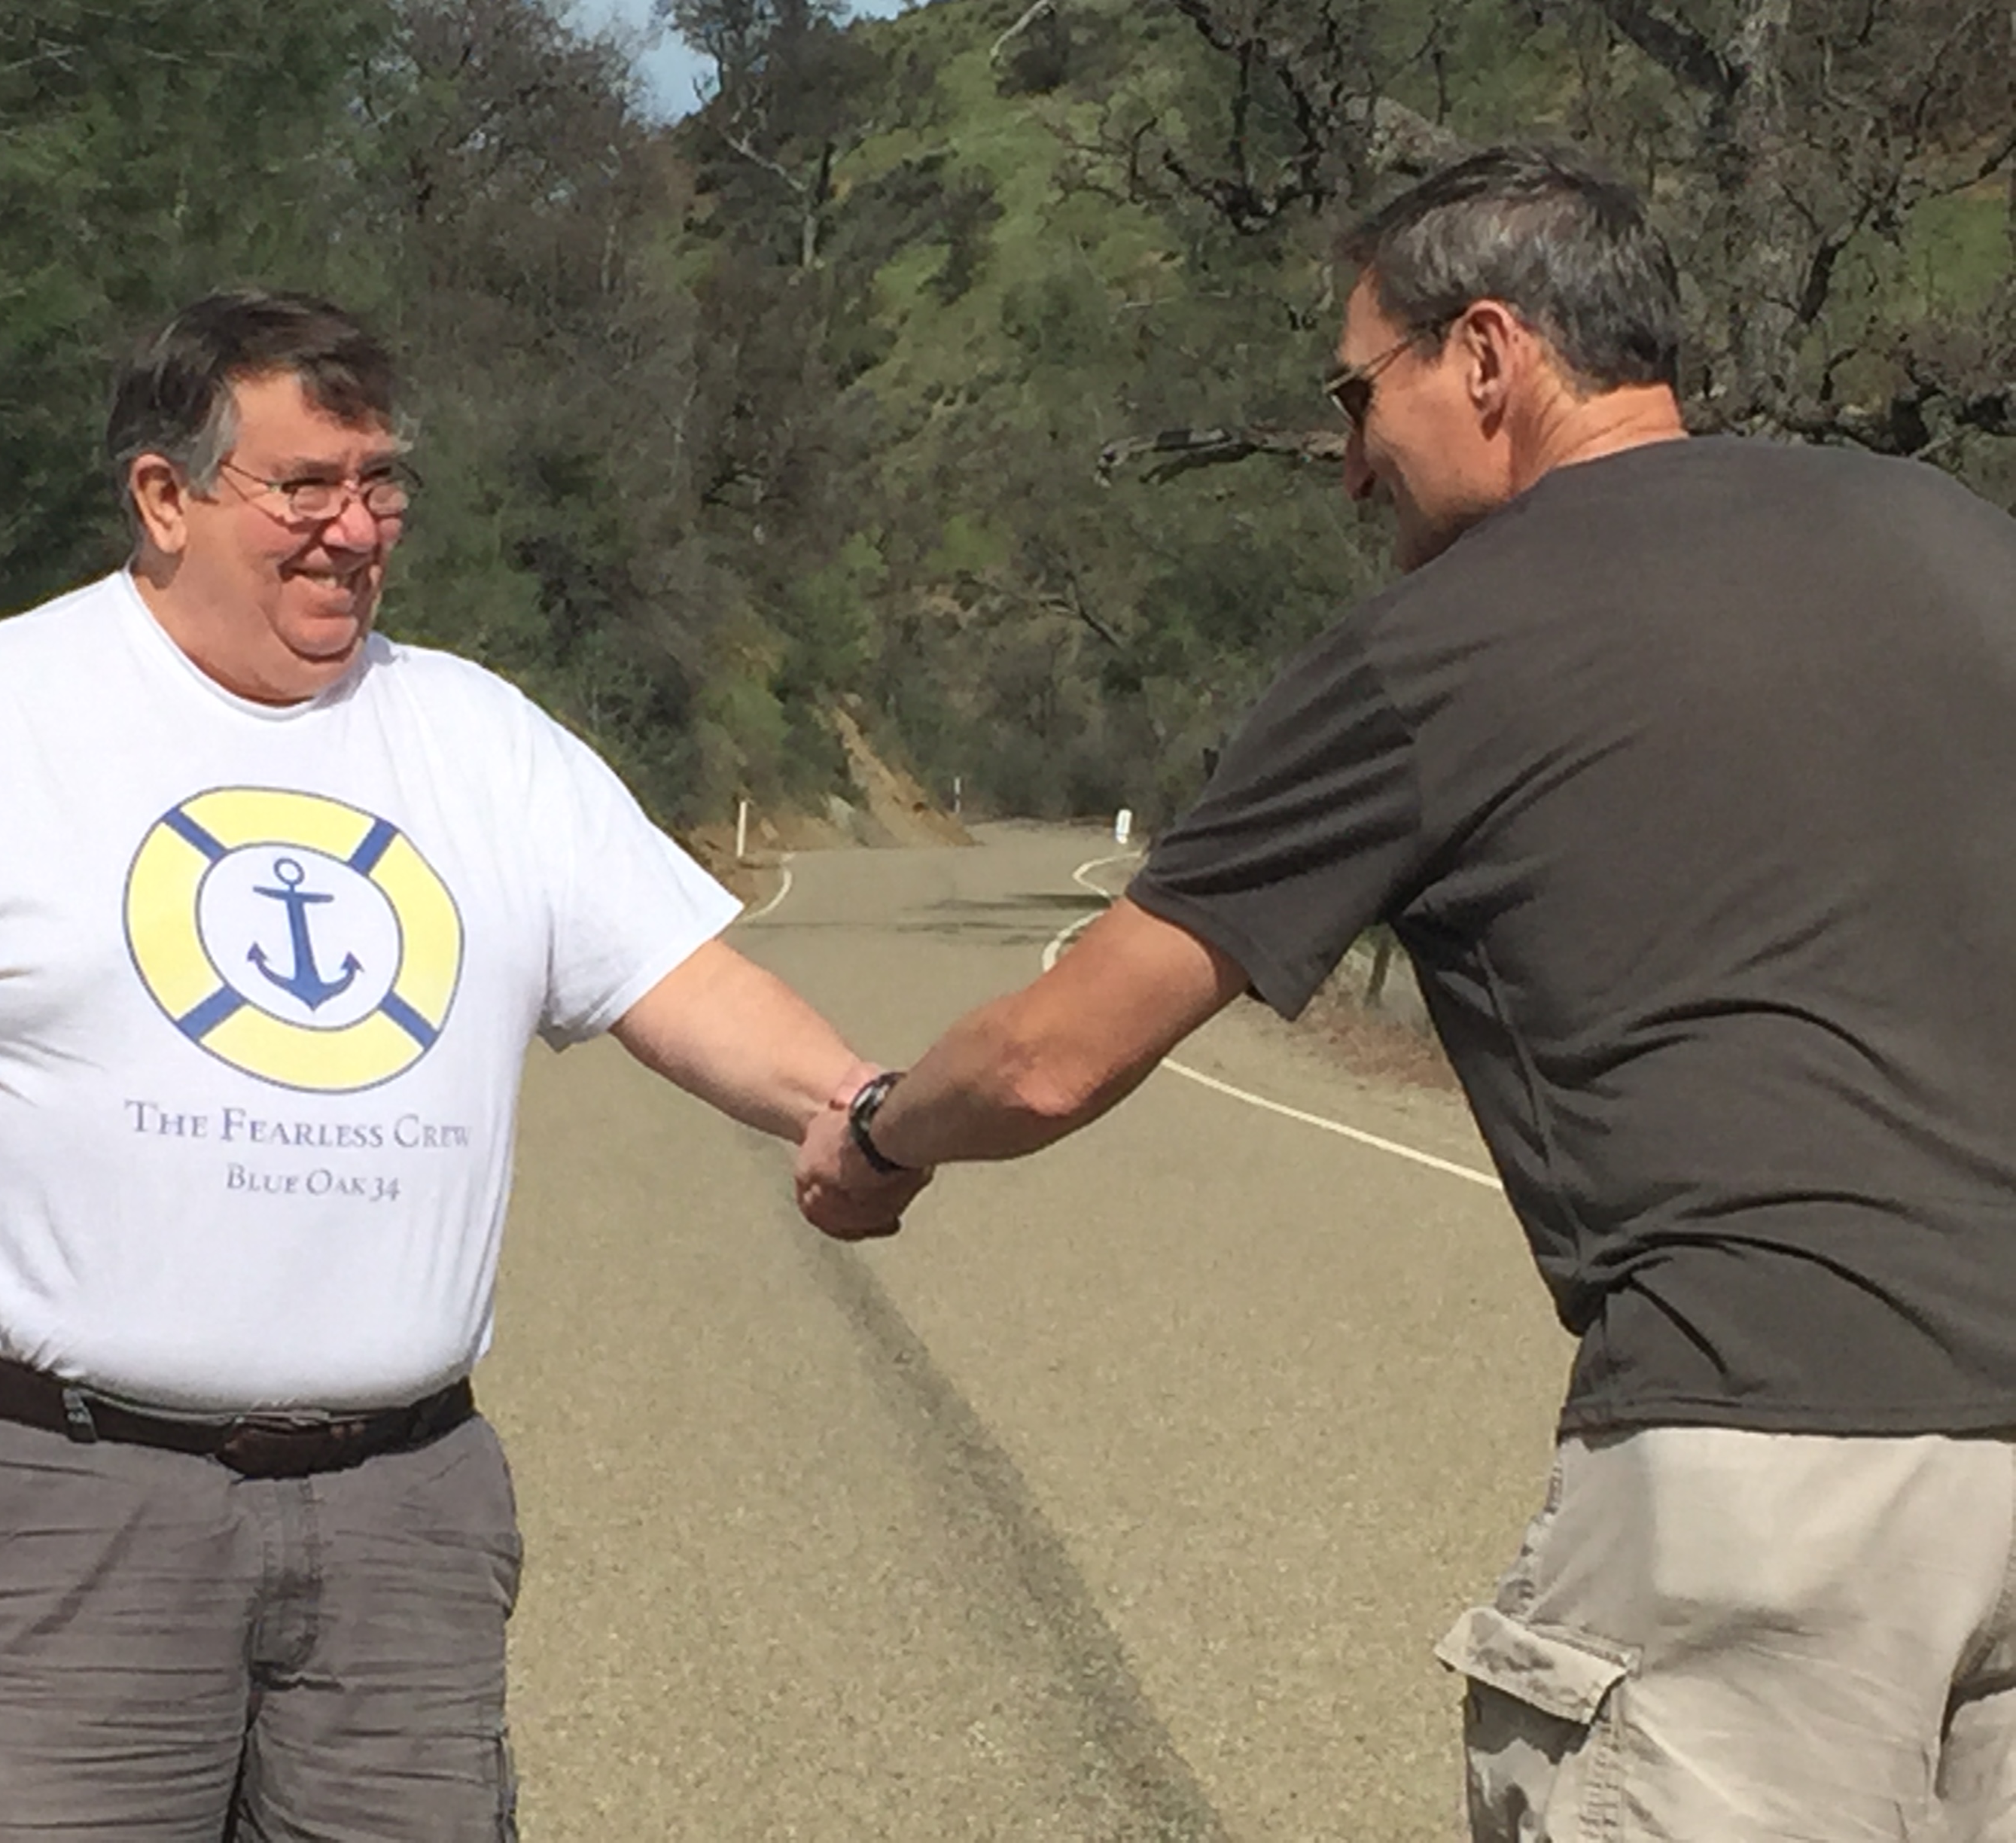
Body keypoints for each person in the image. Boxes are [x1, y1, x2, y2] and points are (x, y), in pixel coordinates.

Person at [0, 288, 918, 1839]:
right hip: (60, 1516)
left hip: (403, 1522)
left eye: (382, 482)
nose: (357, 529)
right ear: (164, 497)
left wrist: (854, 1108)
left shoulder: (482, 742)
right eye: (306, 486)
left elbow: (680, 981)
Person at [798, 142, 2016, 1841]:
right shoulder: (1957, 535)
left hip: (1757, 1458)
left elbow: (1054, 1057)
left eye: (1356, 396)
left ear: (1489, 353)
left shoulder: (1438, 646)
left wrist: (878, 1134)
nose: (1354, 467)